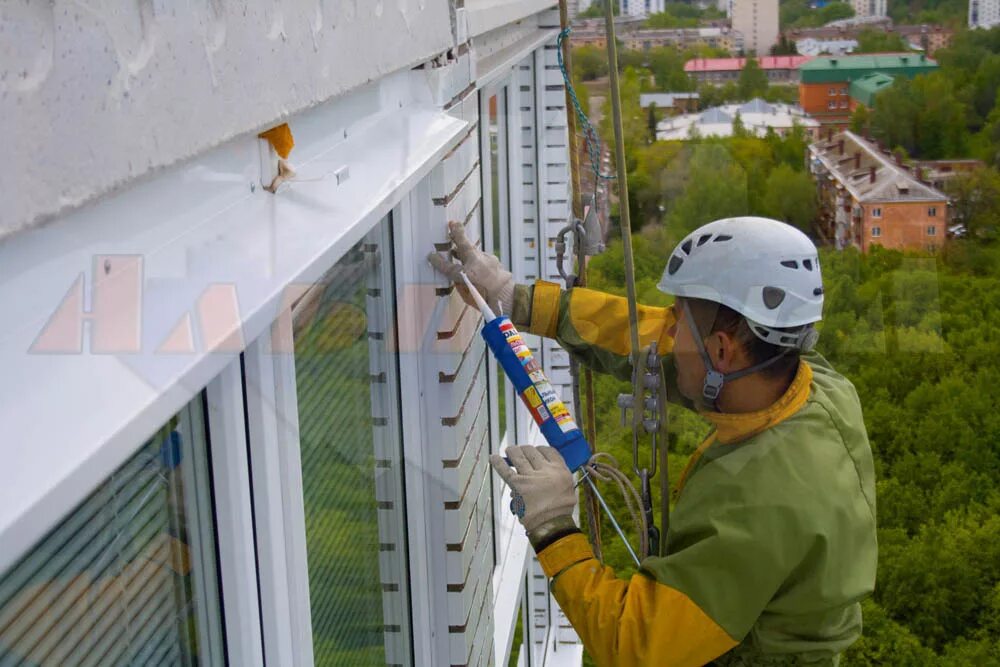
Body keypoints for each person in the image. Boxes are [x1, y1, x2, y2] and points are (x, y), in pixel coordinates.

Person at [429, 216, 877, 666]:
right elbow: (648, 339)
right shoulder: (813, 386)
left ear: (723, 350)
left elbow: (638, 649)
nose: (668, 334)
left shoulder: (763, 500)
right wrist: (517, 300)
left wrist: (552, 525)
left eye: (679, 322)